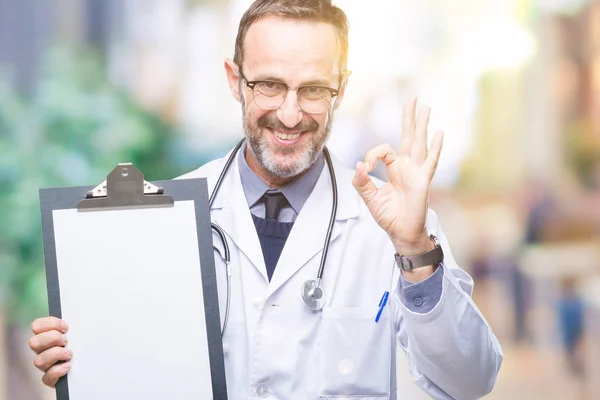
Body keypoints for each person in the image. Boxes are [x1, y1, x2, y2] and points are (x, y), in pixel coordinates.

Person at [28, 0, 502, 398]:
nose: (291, 115)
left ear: (342, 89)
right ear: (235, 80)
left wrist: (415, 248)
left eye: (313, 89)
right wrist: (82, 358)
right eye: (269, 85)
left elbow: (470, 380)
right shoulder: (162, 220)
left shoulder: (399, 228)